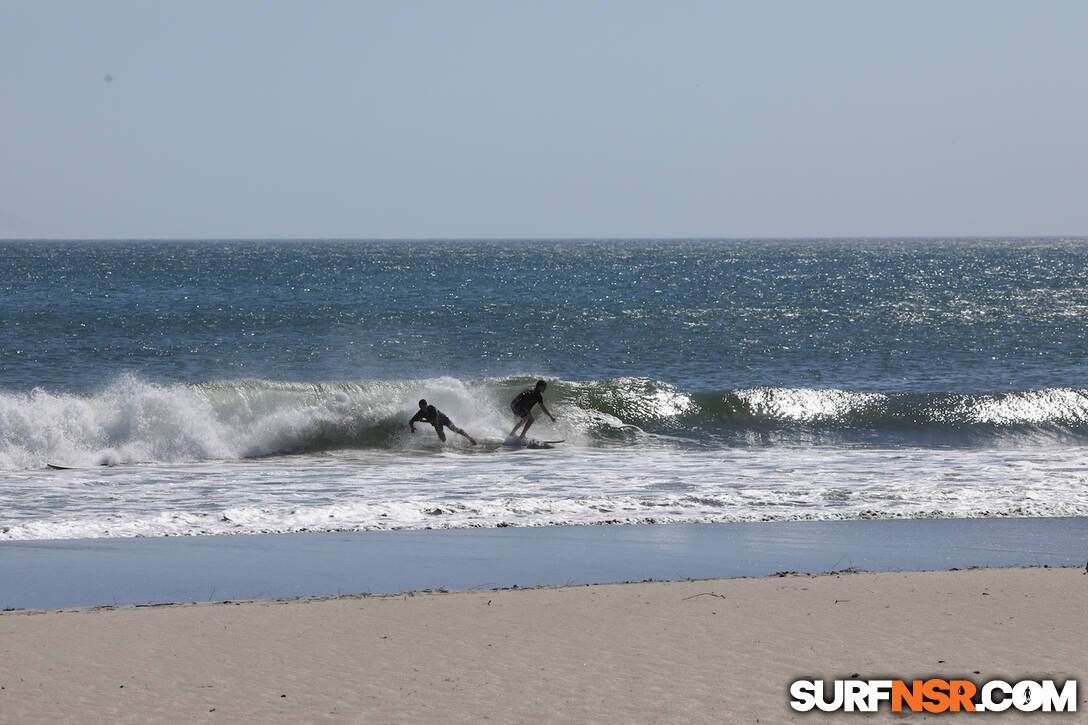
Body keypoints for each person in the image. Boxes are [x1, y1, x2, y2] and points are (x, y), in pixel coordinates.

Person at [409, 399, 477, 445]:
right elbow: (411, 421)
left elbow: (434, 420)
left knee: (455, 429)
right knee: (443, 439)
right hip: (437, 424)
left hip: (444, 419)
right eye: (421, 408)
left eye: (424, 407)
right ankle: (445, 451)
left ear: (426, 405)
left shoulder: (432, 408)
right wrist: (412, 428)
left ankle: (470, 438)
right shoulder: (420, 413)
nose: (423, 409)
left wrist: (423, 420)